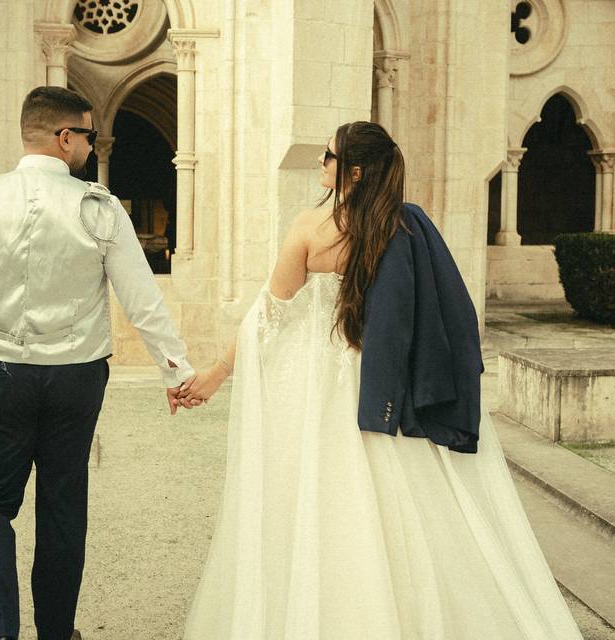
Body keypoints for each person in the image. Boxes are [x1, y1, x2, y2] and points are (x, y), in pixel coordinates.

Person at [179, 122, 585, 639]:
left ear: (351, 170)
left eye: (327, 156)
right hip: (386, 380)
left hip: (321, 383)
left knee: (323, 502)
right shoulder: (406, 226)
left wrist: (216, 373)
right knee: (412, 504)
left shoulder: (310, 229)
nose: (319, 163)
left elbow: (269, 316)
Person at [0, 86, 198, 640]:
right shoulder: (100, 206)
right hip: (77, 376)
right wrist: (175, 372)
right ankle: (57, 634)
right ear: (66, 138)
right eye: (88, 136)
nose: (92, 146)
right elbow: (142, 299)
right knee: (63, 506)